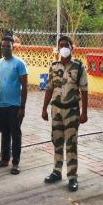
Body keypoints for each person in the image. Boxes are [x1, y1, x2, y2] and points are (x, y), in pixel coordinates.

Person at [42, 35, 88, 192]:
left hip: (72, 111)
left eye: (66, 45)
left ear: (72, 47)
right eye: (61, 45)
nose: (64, 47)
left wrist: (84, 113)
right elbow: (49, 89)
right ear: (58, 48)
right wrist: (43, 108)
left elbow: (84, 91)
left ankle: (72, 177)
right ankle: (56, 172)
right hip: (56, 110)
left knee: (71, 144)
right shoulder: (54, 66)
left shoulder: (79, 67)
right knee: (57, 142)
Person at [0, 36, 28, 175]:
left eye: (8, 46)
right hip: (1, 104)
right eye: (3, 46)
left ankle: (16, 163)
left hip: (14, 105)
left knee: (15, 134)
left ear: (13, 47)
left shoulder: (19, 64)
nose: (5, 48)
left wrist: (22, 107)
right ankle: (5, 160)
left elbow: (25, 86)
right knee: (4, 133)